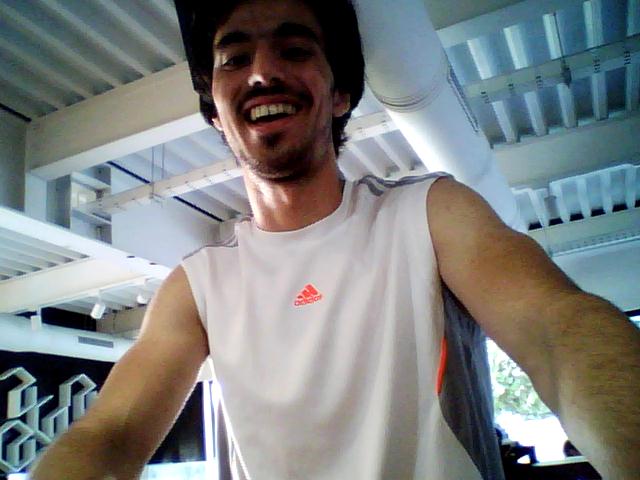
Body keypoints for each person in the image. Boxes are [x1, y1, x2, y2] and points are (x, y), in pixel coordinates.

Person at [30, 0, 640, 479]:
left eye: (295, 50)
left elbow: (557, 332)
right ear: (215, 108)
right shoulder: (197, 286)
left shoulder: (432, 213)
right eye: (234, 59)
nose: (262, 73)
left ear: (341, 93)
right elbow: (109, 437)